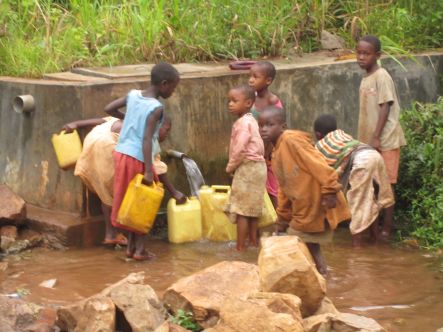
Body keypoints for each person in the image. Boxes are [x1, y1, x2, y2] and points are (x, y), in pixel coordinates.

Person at [258, 106, 350, 276]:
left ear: (283, 127)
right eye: (261, 125)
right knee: (309, 244)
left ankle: (310, 278)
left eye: (270, 125)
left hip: (317, 200)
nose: (264, 129)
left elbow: (318, 163)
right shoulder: (277, 153)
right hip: (304, 206)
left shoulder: (291, 140)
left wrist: (330, 191)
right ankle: (322, 274)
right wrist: (282, 220)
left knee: (295, 240)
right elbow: (284, 190)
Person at [104, 62, 180, 261]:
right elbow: (146, 139)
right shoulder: (156, 108)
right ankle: (140, 251)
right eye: (173, 87)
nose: (173, 91)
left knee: (129, 199)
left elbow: (109, 108)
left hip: (121, 154)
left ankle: (130, 248)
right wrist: (148, 169)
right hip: (138, 157)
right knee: (143, 202)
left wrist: (128, 119)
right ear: (164, 84)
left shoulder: (133, 95)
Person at [314, 114, 395, 247]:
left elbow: (324, 175)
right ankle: (375, 240)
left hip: (361, 161)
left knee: (358, 204)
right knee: (370, 200)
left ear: (318, 135)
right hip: (374, 154)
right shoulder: (342, 135)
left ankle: (356, 249)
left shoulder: (320, 147)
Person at [356, 35, 406, 238]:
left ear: (377, 55)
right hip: (370, 143)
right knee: (373, 185)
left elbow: (386, 104)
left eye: (366, 54)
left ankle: (386, 229)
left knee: (386, 185)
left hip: (385, 141)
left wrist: (376, 137)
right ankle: (373, 230)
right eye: (358, 53)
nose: (361, 57)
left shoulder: (382, 75)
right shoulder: (366, 77)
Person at [62, 116, 126, 246]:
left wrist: (75, 123)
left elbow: (95, 121)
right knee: (113, 192)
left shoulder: (114, 119)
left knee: (104, 191)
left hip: (90, 145)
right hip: (106, 149)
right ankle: (114, 234)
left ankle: (110, 235)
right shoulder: (137, 127)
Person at [226, 85, 267, 251]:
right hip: (259, 167)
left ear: (248, 103)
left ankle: (240, 248)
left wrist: (230, 167)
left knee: (242, 210)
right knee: (253, 208)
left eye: (234, 101)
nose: (230, 104)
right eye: (229, 101)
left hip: (248, 167)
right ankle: (253, 243)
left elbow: (240, 148)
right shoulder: (252, 121)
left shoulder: (242, 123)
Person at [248, 61, 283, 208]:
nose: (250, 80)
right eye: (250, 76)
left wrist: (266, 153)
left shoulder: (272, 101)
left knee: (274, 188)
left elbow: (276, 127)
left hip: (270, 151)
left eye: (255, 77)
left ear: (268, 80)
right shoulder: (251, 99)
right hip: (255, 148)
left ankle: (280, 219)